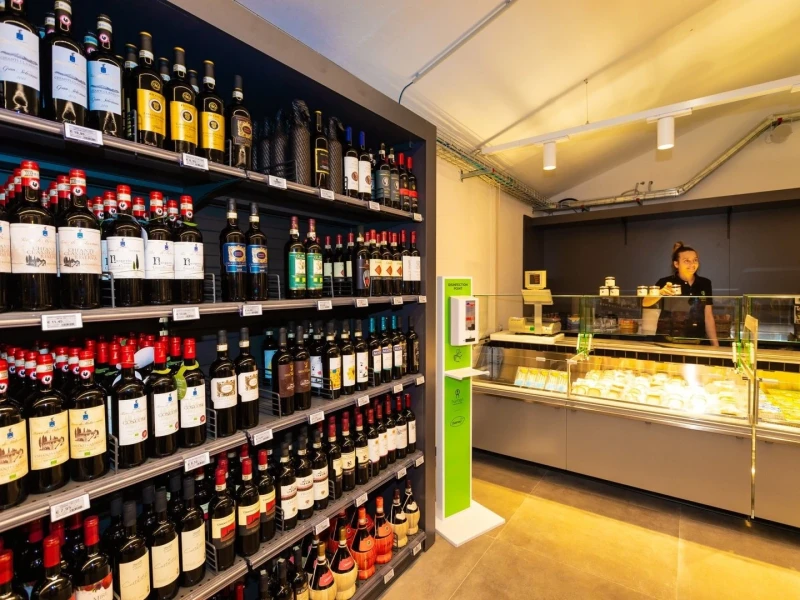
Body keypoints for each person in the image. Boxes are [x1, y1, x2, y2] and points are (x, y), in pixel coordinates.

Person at [642, 242, 719, 346]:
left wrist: (715, 345)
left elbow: (708, 316)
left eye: (695, 260)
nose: (692, 264)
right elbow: (645, 302)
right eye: (686, 261)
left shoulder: (705, 283)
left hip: (696, 341)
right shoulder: (665, 282)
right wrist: (660, 292)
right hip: (668, 341)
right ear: (676, 264)